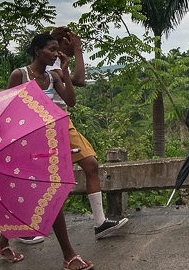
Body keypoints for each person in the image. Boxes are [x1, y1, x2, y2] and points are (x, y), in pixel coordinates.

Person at [0, 33, 94, 270]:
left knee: (40, 195)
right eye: (51, 49)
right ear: (37, 51)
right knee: (50, 194)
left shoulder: (53, 76)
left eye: (57, 49)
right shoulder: (20, 75)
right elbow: (7, 110)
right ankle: (69, 255)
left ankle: (2, 242)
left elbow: (71, 101)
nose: (56, 54)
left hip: (50, 140)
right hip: (27, 144)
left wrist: (66, 71)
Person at [16, 28, 128, 244]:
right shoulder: (27, 73)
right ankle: (19, 230)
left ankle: (100, 223)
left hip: (62, 122)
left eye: (62, 47)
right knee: (42, 181)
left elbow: (75, 89)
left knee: (90, 163)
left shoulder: (56, 70)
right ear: (42, 50)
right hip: (36, 128)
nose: (60, 51)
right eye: (59, 46)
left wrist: (76, 53)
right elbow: (11, 104)